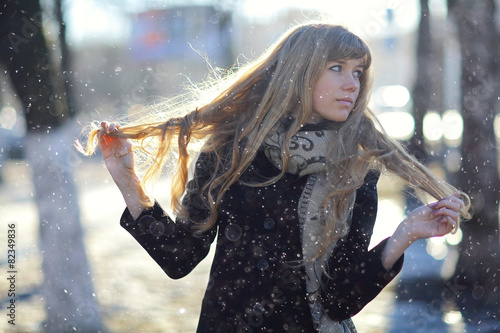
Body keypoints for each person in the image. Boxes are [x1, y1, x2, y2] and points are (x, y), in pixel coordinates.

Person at [79, 22, 471, 332]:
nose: (352, 83)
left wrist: (404, 236)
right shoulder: (230, 150)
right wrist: (127, 179)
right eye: (336, 68)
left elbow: (338, 301)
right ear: (298, 73)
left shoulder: (354, 169)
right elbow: (180, 257)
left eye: (358, 71)